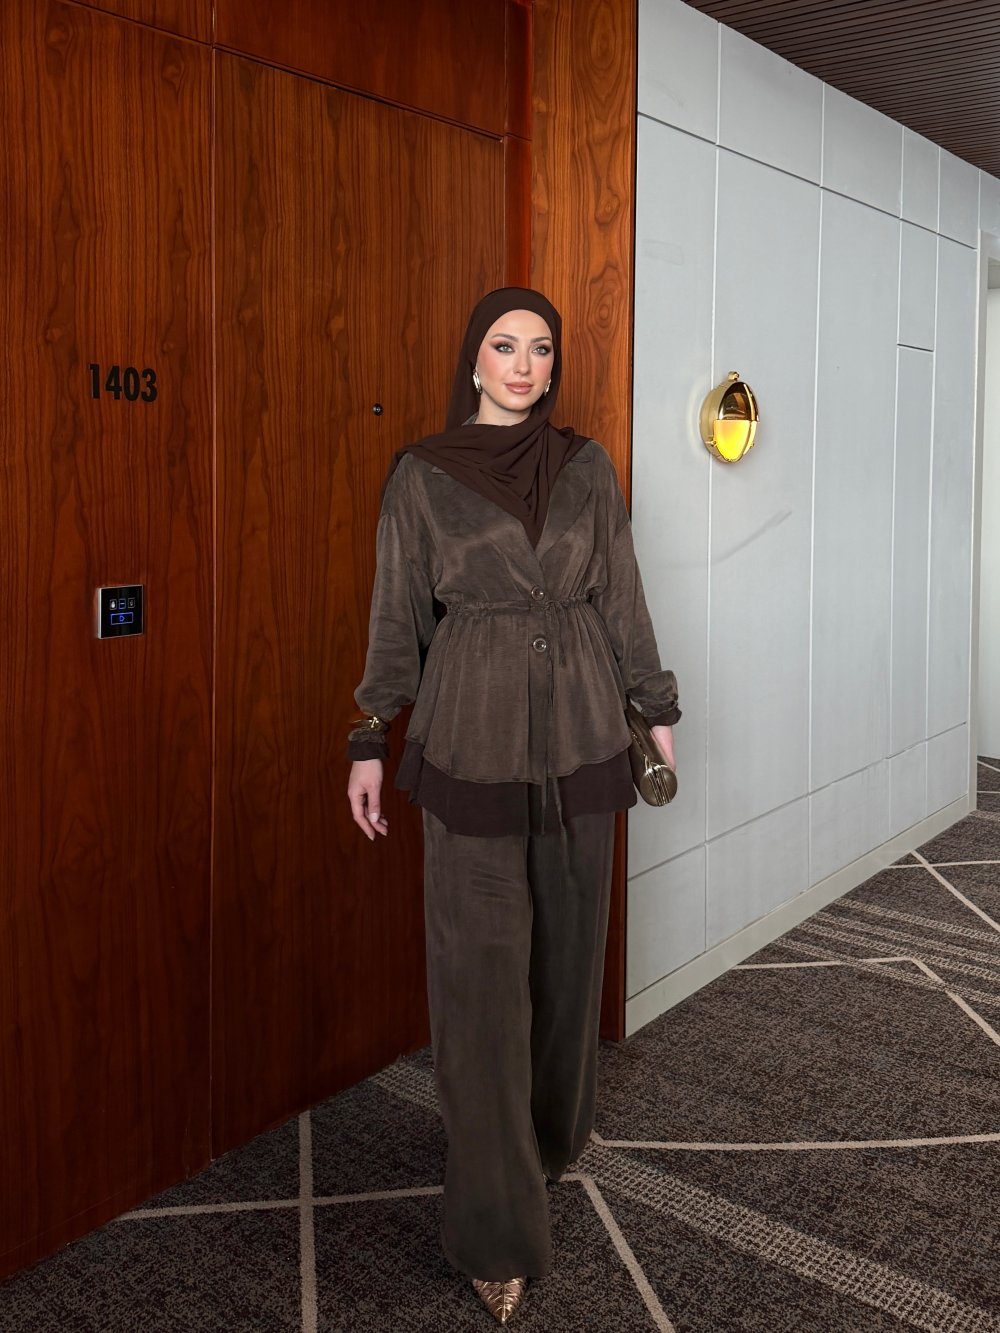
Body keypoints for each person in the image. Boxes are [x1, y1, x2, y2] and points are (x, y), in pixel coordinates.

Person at [346, 287, 680, 1324]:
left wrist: (654, 705)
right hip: (474, 736)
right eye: (505, 346)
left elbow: (621, 590)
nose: (525, 365)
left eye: (540, 348)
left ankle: (545, 1142)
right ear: (474, 359)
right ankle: (494, 1226)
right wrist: (369, 736)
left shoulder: (586, 467)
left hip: (583, 734)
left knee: (568, 965)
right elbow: (396, 616)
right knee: (481, 984)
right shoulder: (422, 474)